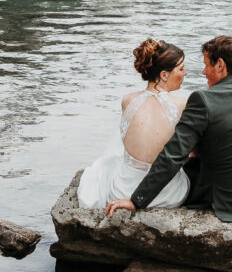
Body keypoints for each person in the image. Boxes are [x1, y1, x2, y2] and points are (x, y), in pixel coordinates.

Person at [105, 34, 232, 223]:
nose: (203, 72)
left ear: (220, 65)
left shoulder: (204, 100)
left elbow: (173, 155)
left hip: (229, 203)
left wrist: (136, 200)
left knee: (196, 153)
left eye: (206, 65)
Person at [77, 39, 191, 209]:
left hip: (123, 190)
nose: (185, 73)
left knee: (107, 164)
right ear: (164, 75)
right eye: (181, 69)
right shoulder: (182, 105)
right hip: (168, 195)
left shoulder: (128, 101)